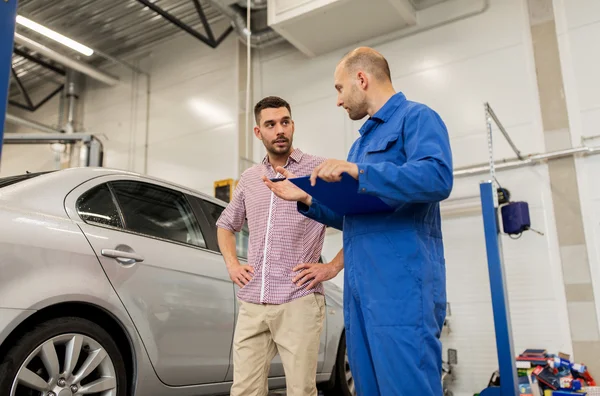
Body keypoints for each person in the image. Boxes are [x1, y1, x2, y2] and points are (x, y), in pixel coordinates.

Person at [263, 47, 453, 395]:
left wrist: (361, 172)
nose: (338, 100)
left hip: (401, 289)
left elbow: (437, 177)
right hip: (360, 290)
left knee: (406, 387)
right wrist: (306, 197)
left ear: (361, 79)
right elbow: (354, 214)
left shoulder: (418, 118)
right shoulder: (361, 145)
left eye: (339, 88)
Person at [216, 96, 328, 396]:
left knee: (300, 391)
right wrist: (232, 265)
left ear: (292, 125)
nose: (280, 130)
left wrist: (330, 267)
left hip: (298, 298)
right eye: (271, 124)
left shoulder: (317, 169)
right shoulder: (251, 178)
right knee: (244, 391)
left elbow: (355, 220)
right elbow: (226, 225)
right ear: (258, 132)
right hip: (254, 301)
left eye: (285, 122)